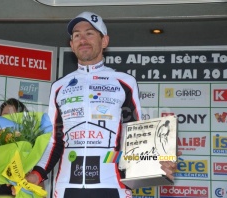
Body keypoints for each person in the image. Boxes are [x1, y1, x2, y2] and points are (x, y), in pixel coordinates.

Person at [17, 11, 179, 198]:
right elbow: (55, 141)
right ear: (71, 44)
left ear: (104, 41)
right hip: (67, 187)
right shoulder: (59, 87)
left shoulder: (124, 82)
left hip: (113, 185)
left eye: (90, 33)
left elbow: (135, 136)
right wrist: (37, 174)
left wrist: (159, 162)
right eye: (77, 35)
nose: (82, 39)